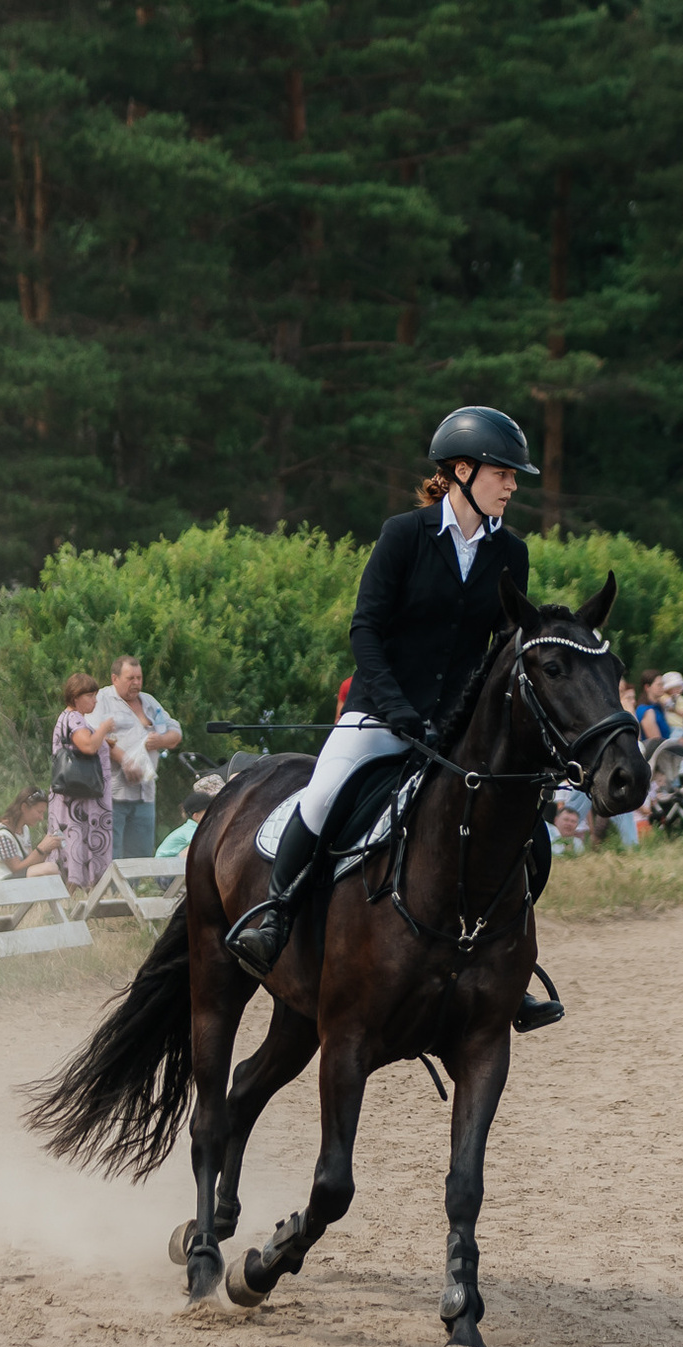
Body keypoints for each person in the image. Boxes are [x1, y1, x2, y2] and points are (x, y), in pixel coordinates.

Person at [226, 405, 562, 1029]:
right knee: (323, 795)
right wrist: (401, 711)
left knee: (528, 837)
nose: (513, 486)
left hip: (455, 735)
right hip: (381, 716)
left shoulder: (510, 552)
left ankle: (505, 969)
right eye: (503, 473)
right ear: (461, 472)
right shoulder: (405, 535)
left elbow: (503, 651)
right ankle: (274, 916)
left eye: (514, 476)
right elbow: (367, 630)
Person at [93, 655, 183, 860]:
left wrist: (160, 741)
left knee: (141, 855)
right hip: (114, 792)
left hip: (145, 792)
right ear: (115, 678)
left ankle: (135, 890)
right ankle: (111, 893)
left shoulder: (149, 701)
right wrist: (125, 760)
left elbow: (176, 732)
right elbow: (93, 735)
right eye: (130, 678)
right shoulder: (103, 700)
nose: (136, 683)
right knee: (111, 854)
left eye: (139, 678)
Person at [50, 673, 117, 889]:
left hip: (73, 796)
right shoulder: (75, 718)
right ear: (76, 696)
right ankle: (79, 887)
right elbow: (87, 746)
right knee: (78, 841)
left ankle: (74, 889)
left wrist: (103, 741)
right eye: (90, 695)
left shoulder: (68, 718)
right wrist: (104, 729)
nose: (94, 700)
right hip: (80, 799)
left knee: (72, 841)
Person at [0, 790, 63, 880]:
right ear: (24, 808)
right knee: (50, 868)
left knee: (56, 869)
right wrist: (41, 849)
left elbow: (30, 863)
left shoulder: (24, 829)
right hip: (3, 883)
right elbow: (16, 869)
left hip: (18, 880)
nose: (41, 818)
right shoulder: (2, 835)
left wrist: (47, 849)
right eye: (39, 812)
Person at [157, 790, 211, 860]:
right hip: (162, 864)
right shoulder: (191, 829)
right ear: (196, 816)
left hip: (171, 862)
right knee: (198, 846)